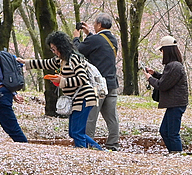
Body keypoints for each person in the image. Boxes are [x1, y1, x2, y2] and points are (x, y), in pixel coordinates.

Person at [18, 31, 102, 150]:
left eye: (54, 49)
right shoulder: (61, 60)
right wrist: (25, 62)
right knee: (74, 132)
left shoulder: (73, 59)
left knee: (77, 132)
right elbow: (45, 63)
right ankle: (96, 150)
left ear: (61, 46)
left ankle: (88, 152)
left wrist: (63, 81)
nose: (54, 52)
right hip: (76, 99)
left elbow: (82, 78)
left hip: (84, 98)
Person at [74, 14, 121, 151]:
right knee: (111, 117)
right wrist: (89, 33)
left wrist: (76, 37)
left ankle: (87, 143)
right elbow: (99, 47)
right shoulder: (113, 39)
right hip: (112, 83)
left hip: (97, 85)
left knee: (90, 115)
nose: (93, 25)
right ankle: (113, 144)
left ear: (99, 25)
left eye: (95, 23)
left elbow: (78, 51)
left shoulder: (96, 39)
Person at [144, 36, 190, 154]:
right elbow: (167, 80)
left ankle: (177, 155)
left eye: (162, 50)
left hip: (176, 104)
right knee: (164, 131)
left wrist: (150, 79)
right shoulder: (174, 65)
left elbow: (162, 85)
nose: (161, 52)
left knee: (172, 133)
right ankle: (173, 153)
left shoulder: (174, 66)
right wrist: (155, 74)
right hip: (174, 103)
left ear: (167, 50)